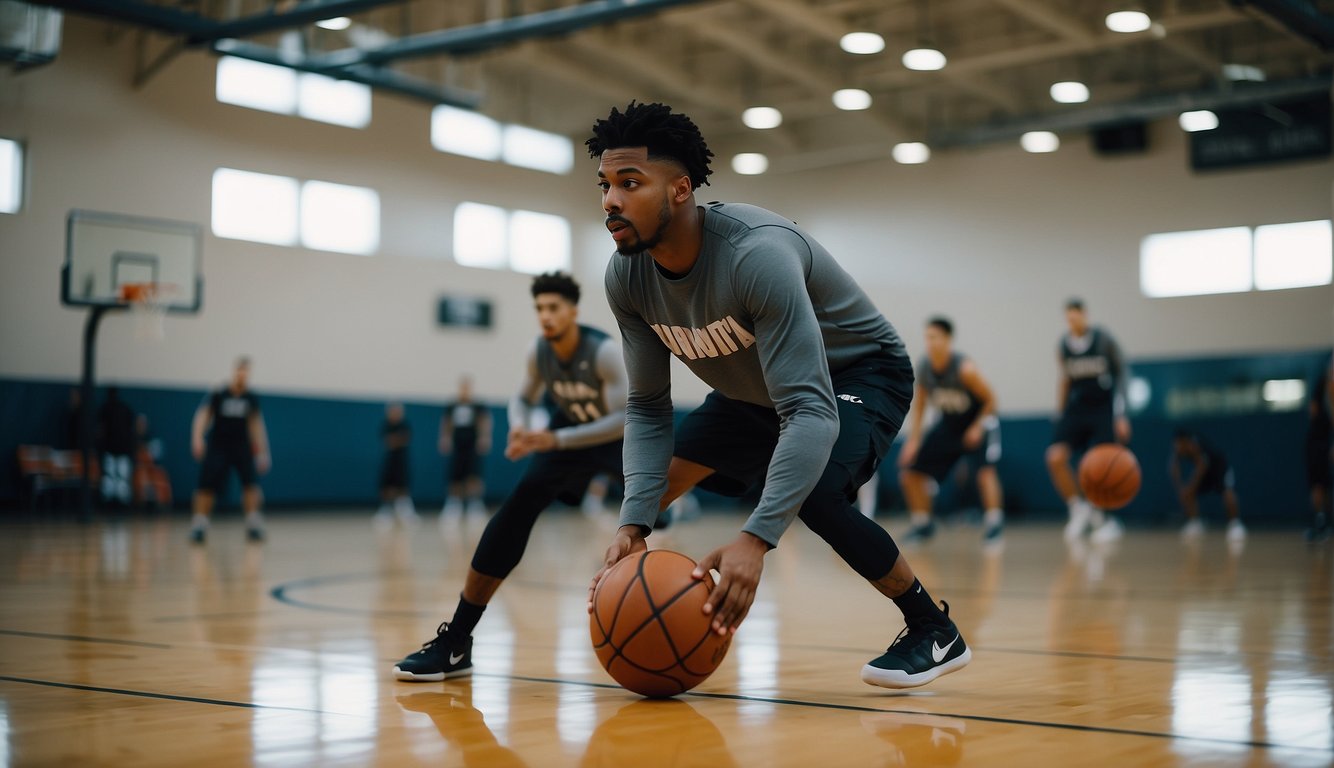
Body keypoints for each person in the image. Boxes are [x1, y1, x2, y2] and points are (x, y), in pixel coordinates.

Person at [585, 101, 970, 690]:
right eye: (606, 184)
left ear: (681, 190)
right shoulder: (626, 276)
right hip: (753, 390)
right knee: (647, 492)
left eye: (630, 183)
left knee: (814, 493)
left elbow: (810, 409)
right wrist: (631, 527)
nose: (611, 200)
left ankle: (932, 628)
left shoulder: (755, 255)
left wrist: (756, 539)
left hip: (856, 375)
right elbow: (646, 406)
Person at [394, 272, 628, 681]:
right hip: (565, 437)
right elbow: (521, 396)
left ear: (573, 311)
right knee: (515, 511)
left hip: (616, 440)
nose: (546, 316)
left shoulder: (603, 351)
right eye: (539, 308)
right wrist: (519, 427)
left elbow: (622, 419)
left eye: (554, 308)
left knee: (662, 508)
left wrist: (554, 439)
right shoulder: (539, 351)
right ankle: (457, 642)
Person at [898, 317, 1005, 545]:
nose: (930, 342)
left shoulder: (965, 369)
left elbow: (991, 400)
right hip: (949, 424)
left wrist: (977, 427)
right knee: (910, 474)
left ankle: (994, 523)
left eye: (935, 337)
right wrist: (913, 441)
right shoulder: (925, 367)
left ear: (948, 340)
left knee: (985, 472)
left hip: (978, 422)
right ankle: (923, 524)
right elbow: (920, 407)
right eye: (927, 337)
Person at [1045, 298, 1131, 544]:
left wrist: (1121, 414)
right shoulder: (1063, 345)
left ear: (1085, 315)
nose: (1073, 321)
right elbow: (1064, 379)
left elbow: (1122, 374)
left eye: (1076, 316)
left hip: (1103, 406)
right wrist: (1060, 412)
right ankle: (1078, 509)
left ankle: (1105, 519)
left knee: (1102, 464)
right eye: (1068, 318)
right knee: (1055, 456)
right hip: (1077, 407)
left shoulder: (1104, 340)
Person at [189, 357, 270, 543]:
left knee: (250, 484)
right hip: (218, 445)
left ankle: (253, 524)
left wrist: (263, 452)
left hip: (241, 446)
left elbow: (256, 425)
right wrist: (197, 438)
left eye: (246, 371)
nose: (243, 374)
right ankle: (199, 524)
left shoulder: (251, 398)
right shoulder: (220, 393)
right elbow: (202, 415)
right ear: (235, 371)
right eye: (240, 370)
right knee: (206, 484)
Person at [1171, 429, 1245, 542]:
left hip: (1219, 469)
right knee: (1188, 493)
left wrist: (1191, 487)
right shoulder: (1178, 450)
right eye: (1176, 443)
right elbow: (1174, 468)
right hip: (1205, 473)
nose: (1177, 446)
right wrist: (1180, 487)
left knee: (1227, 492)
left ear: (1185, 441)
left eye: (1179, 443)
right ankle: (1195, 524)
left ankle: (1235, 525)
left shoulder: (1194, 445)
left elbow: (1202, 466)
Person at [439, 376, 491, 521]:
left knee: (474, 474)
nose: (465, 390)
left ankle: (475, 505)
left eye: (467, 387)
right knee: (455, 474)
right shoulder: (452, 405)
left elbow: (484, 421)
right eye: (463, 387)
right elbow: (446, 422)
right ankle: (454, 505)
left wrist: (484, 438)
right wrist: (445, 438)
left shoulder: (478, 405)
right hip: (457, 445)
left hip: (472, 444)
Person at [1307, 354, 1333, 542]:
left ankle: (1323, 522)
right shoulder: (1322, 385)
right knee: (1319, 484)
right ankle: (1321, 521)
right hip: (1318, 442)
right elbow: (1314, 410)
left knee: (1322, 484)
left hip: (1322, 441)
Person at [376, 403, 417, 525]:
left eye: (397, 411)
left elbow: (404, 439)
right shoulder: (386, 425)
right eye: (392, 411)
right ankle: (386, 510)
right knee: (387, 485)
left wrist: (396, 440)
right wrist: (396, 440)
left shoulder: (405, 425)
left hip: (402, 460)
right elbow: (388, 441)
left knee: (403, 485)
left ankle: (405, 512)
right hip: (389, 460)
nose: (394, 413)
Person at [97, 386, 137, 508]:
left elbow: (101, 431)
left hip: (114, 450)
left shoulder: (106, 408)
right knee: (117, 479)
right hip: (120, 450)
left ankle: (114, 505)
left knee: (114, 479)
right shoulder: (120, 408)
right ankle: (117, 505)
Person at [132, 413, 172, 510]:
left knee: (160, 474)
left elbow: (155, 458)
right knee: (141, 474)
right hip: (138, 469)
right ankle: (141, 502)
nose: (142, 427)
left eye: (143, 424)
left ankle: (161, 503)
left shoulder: (152, 440)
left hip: (152, 469)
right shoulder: (132, 440)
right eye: (139, 424)